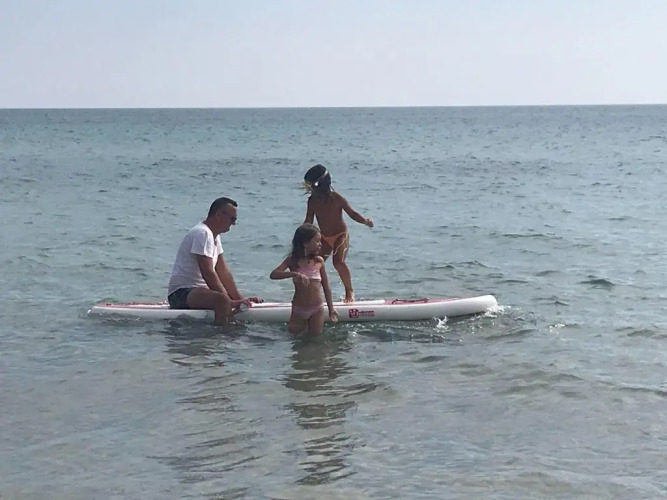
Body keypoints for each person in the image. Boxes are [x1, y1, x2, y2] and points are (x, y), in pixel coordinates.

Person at [167, 197, 262, 325]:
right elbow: (208, 273)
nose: (233, 224)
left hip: (198, 292)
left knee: (224, 299)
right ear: (218, 215)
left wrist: (239, 299)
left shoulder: (214, 236)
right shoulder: (202, 233)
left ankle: (228, 324)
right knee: (222, 300)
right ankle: (220, 333)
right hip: (180, 293)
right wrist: (227, 301)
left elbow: (223, 272)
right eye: (232, 219)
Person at [302, 164, 373, 302]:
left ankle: (349, 290)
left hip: (341, 235)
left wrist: (365, 221)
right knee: (315, 264)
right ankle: (313, 293)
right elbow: (308, 220)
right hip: (324, 238)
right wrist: (302, 234)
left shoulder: (336, 198)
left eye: (312, 186)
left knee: (338, 262)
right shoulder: (312, 201)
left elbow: (352, 214)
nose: (310, 190)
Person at [270, 224, 338, 334]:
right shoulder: (292, 261)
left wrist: (331, 309)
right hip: (299, 309)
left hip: (317, 309)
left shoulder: (318, 261)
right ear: (305, 243)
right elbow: (273, 274)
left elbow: (326, 286)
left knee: (315, 339)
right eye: (317, 241)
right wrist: (294, 274)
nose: (320, 244)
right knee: (294, 338)